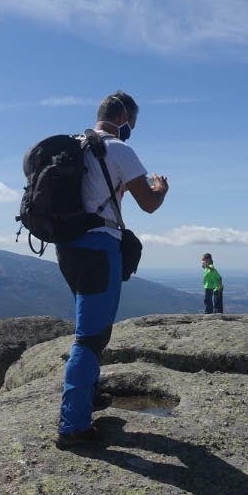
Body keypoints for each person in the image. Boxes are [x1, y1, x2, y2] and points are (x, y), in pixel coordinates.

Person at [55, 91, 168, 449]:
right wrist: (161, 189)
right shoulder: (118, 149)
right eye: (131, 126)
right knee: (90, 337)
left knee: (87, 327)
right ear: (123, 118)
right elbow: (148, 204)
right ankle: (73, 425)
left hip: (67, 246)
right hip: (98, 247)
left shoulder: (73, 146)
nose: (130, 131)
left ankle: (86, 398)